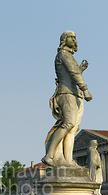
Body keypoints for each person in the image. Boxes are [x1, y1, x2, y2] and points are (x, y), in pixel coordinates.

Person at [42, 31, 92, 167]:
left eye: (75, 37)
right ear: (64, 40)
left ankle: (68, 161)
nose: (75, 40)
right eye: (71, 37)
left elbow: (73, 73)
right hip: (67, 94)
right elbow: (73, 73)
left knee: (72, 129)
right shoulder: (63, 54)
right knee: (68, 123)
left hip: (75, 95)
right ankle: (49, 155)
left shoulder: (68, 55)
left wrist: (80, 69)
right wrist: (85, 89)